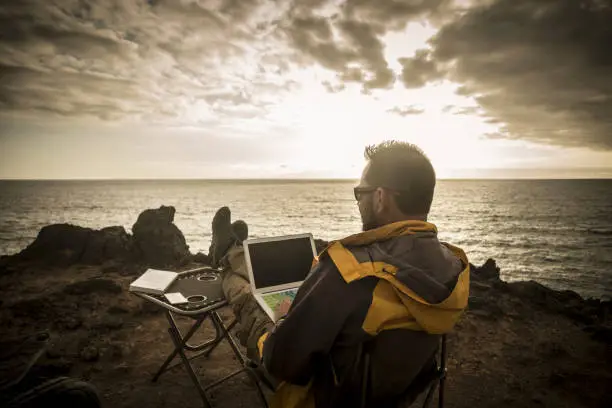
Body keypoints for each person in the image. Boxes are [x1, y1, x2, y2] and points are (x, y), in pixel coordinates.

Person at [212, 141, 470, 408]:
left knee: (247, 294)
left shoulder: (347, 272)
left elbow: (282, 362)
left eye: (360, 192)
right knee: (295, 280)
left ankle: (225, 258)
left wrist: (285, 319)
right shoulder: (453, 265)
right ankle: (234, 252)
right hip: (397, 392)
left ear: (380, 197)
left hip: (326, 395)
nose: (359, 201)